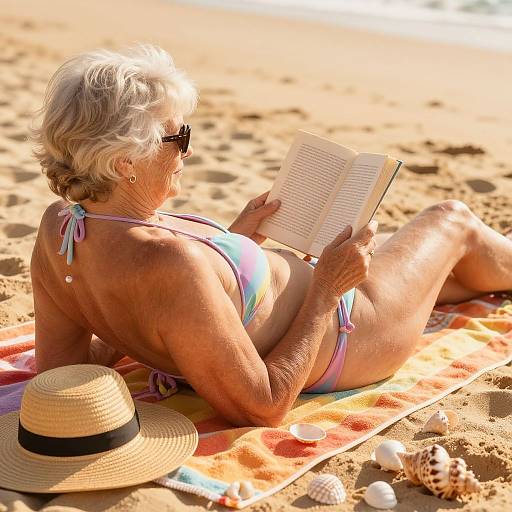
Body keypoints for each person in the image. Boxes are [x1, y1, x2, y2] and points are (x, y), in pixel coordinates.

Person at [30, 45, 512, 427]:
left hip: (318, 300)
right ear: (123, 162)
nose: (187, 153)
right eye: (178, 138)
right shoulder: (171, 265)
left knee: (446, 273)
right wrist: (325, 290)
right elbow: (262, 406)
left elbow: (68, 366)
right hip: (352, 328)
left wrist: (236, 244)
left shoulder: (61, 229)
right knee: (452, 221)